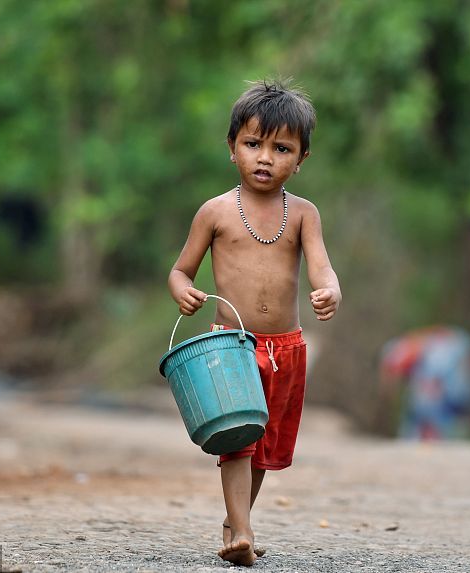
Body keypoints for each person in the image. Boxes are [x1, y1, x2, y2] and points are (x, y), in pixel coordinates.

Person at [168, 79, 341, 566]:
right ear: (232, 148)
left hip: (285, 348)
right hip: (232, 344)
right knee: (239, 439)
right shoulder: (216, 212)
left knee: (263, 446)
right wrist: (183, 291)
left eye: (281, 148)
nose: (265, 157)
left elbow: (321, 264)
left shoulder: (304, 214)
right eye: (253, 144)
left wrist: (330, 288)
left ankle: (234, 522)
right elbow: (181, 270)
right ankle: (241, 529)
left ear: (301, 157)